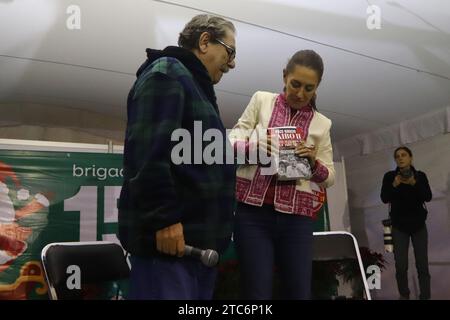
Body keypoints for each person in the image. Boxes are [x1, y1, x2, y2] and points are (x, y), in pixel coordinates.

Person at [118, 14, 237, 300]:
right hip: (170, 250)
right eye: (230, 52)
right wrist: (164, 221)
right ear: (205, 41)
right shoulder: (167, 73)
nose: (232, 63)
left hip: (194, 253)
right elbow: (148, 155)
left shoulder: (196, 88)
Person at [229, 50, 335, 299]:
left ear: (317, 88)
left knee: (298, 292)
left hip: (297, 220)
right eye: (295, 84)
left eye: (309, 88)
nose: (300, 94)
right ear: (284, 76)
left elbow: (329, 177)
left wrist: (312, 163)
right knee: (257, 293)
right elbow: (232, 140)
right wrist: (253, 147)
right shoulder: (261, 100)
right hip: (253, 214)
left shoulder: (323, 124)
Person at [380, 146, 432, 300]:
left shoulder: (420, 176)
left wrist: (414, 183)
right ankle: (404, 295)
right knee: (401, 266)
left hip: (418, 226)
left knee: (422, 264)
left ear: (411, 158)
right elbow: (384, 198)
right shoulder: (390, 176)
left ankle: (425, 296)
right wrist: (394, 185)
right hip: (399, 227)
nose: (400, 158)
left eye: (404, 155)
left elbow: (427, 197)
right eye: (397, 156)